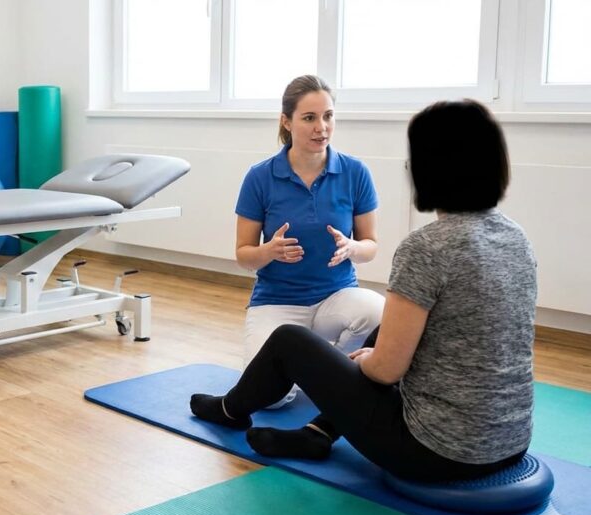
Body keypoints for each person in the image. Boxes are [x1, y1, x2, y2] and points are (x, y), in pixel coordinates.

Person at [192, 99, 536, 482]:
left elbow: (387, 370)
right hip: (511, 441)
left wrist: (364, 362)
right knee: (386, 321)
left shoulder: (426, 247)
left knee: (290, 341)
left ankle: (229, 409)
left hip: (436, 450)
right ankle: (317, 432)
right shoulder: (515, 236)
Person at [235, 75, 384, 408]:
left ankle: (321, 367)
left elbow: (371, 244)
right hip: (278, 302)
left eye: (328, 116)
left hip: (336, 299)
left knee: (378, 310)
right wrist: (268, 251)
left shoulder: (354, 172)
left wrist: (352, 247)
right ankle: (311, 368)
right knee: (271, 399)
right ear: (286, 122)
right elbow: (244, 255)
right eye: (309, 118)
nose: (322, 127)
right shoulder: (260, 176)